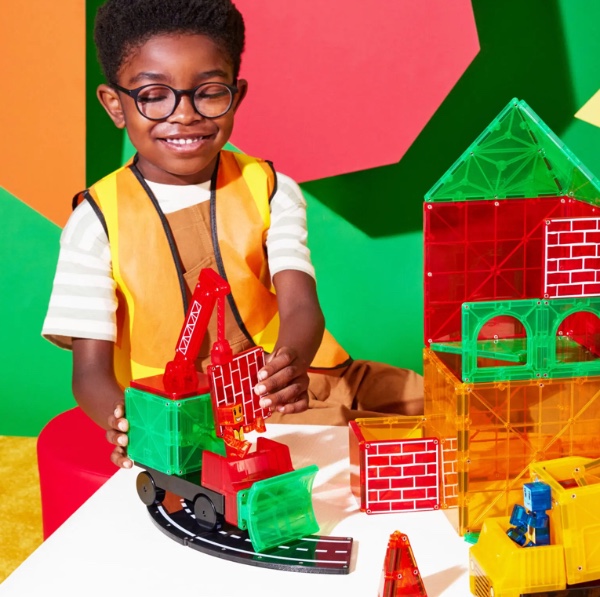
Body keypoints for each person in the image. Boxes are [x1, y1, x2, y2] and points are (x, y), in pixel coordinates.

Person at [42, 0, 423, 470]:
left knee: (447, 404)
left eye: (208, 92)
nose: (184, 114)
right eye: (154, 95)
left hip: (303, 375)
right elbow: (89, 375)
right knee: (373, 458)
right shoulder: (95, 221)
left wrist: (290, 364)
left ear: (236, 95)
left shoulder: (270, 187)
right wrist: (136, 424)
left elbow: (301, 307)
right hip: (202, 417)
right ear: (115, 105)